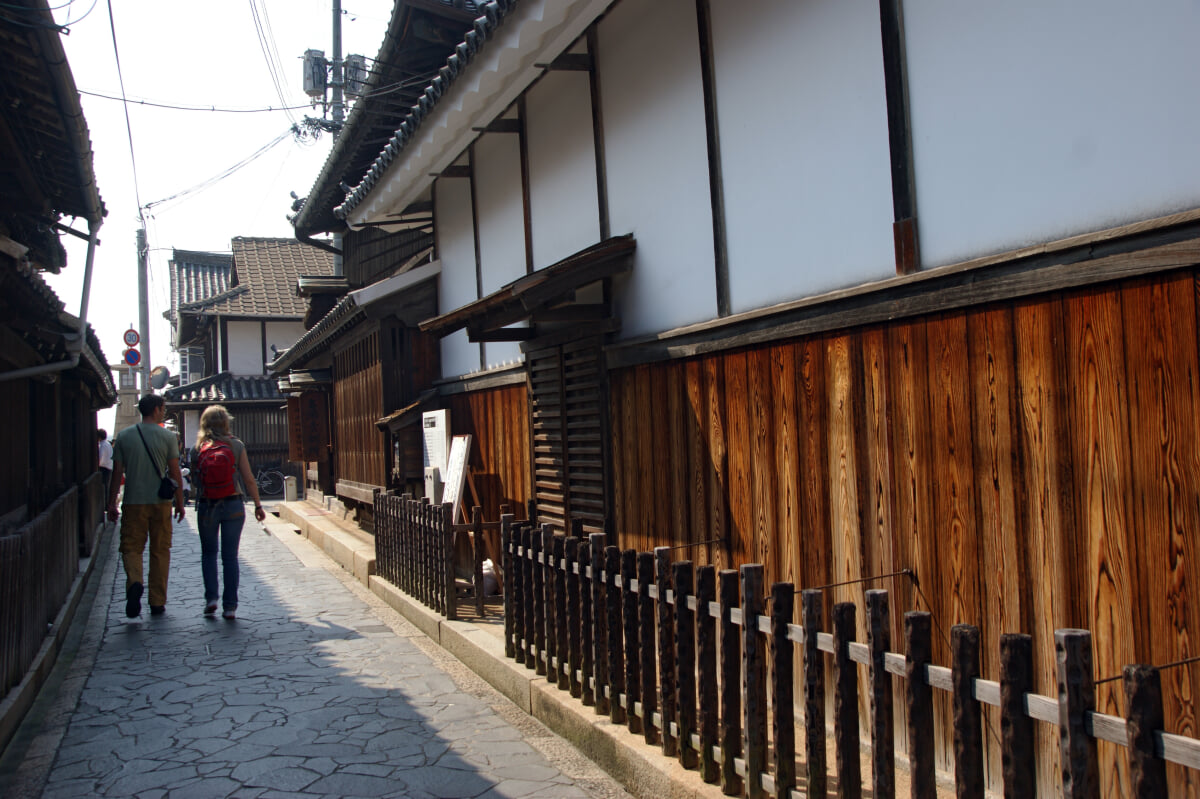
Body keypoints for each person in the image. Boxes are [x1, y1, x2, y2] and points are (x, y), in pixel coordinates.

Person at [107, 395, 185, 618]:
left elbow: (117, 473)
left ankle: (135, 581)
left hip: (133, 502)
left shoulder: (124, 437)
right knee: (160, 550)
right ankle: (157, 601)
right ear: (158, 409)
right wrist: (179, 503)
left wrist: (111, 503)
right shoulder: (168, 437)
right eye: (163, 408)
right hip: (160, 503)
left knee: (131, 547)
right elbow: (174, 472)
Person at [191, 404, 265, 620]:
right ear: (226, 422)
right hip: (233, 503)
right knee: (230, 557)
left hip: (207, 504)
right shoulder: (236, 445)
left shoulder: (198, 448)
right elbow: (248, 478)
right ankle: (230, 606)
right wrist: (258, 506)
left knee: (208, 553)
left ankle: (211, 598)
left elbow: (196, 482)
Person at [97, 429, 113, 500]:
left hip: (103, 468)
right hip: (109, 467)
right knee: (107, 487)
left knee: (103, 487)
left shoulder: (102, 445)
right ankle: (107, 504)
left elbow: (99, 457)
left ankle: (105, 504)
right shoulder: (108, 444)